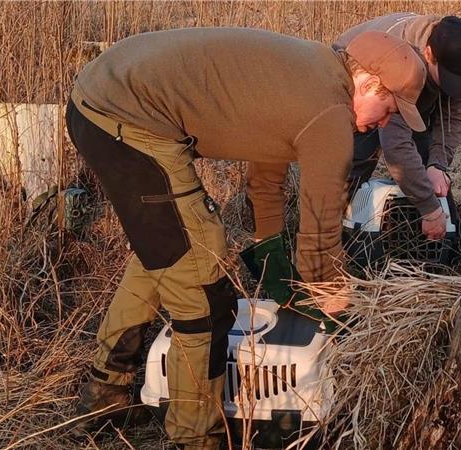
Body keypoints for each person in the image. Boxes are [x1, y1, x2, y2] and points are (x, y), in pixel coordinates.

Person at [65, 27, 426, 449]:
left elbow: (266, 171)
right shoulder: (330, 117)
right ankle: (195, 436)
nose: (384, 123)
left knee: (168, 254)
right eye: (388, 108)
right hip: (128, 119)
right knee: (202, 289)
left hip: (98, 98)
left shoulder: (309, 70)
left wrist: (268, 245)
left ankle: (104, 393)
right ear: (367, 83)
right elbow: (320, 237)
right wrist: (334, 298)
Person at [334, 13, 461, 240]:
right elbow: (396, 145)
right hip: (360, 96)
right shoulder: (401, 61)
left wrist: (437, 164)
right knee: (352, 163)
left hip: (410, 102)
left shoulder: (458, 58)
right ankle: (332, 236)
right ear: (429, 54)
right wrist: (429, 208)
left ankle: (416, 244)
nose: (453, 87)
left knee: (428, 179)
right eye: (447, 78)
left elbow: (454, 118)